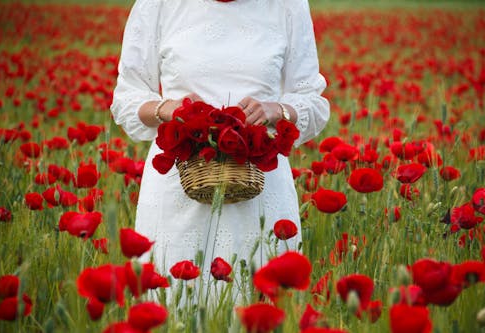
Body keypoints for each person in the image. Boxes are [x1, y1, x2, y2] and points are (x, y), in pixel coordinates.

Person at [110, 0, 329, 299]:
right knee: (175, 303)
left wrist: (276, 109)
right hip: (178, 186)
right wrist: (168, 110)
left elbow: (312, 101)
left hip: (260, 189)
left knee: (255, 306)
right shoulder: (158, 4)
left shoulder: (288, 5)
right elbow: (127, 98)